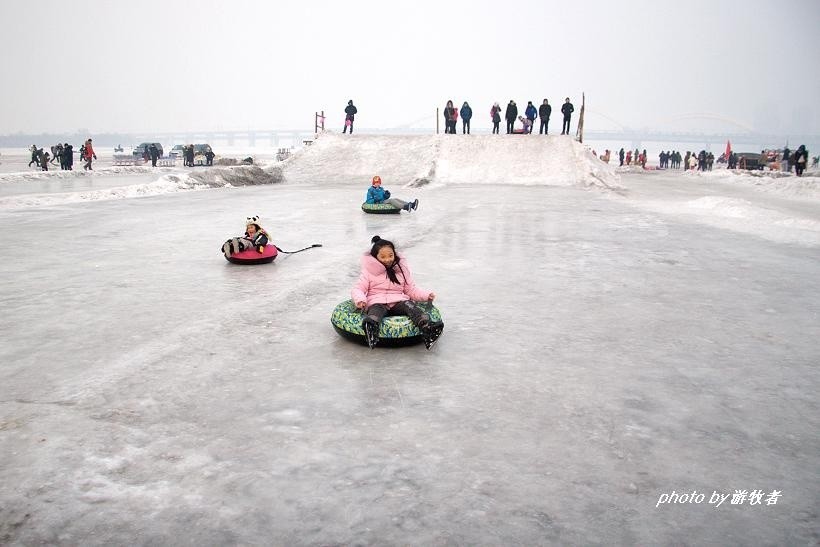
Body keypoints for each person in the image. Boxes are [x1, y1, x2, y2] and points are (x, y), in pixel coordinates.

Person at [352, 235, 443, 348]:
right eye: (383, 256)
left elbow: (410, 289)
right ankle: (371, 327)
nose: (388, 259)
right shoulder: (369, 272)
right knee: (376, 310)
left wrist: (426, 295)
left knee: (410, 306)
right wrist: (360, 299)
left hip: (398, 301)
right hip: (377, 301)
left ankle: (427, 327)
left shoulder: (401, 270)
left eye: (390, 255)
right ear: (376, 257)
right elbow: (358, 289)